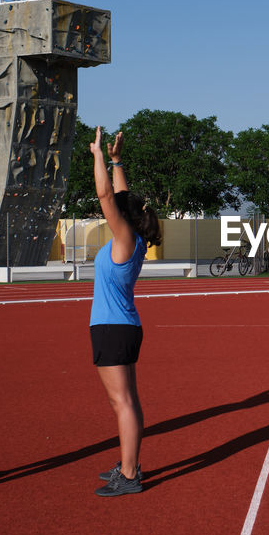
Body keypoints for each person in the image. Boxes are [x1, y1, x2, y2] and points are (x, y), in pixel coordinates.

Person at [90, 128, 162, 497]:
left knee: (123, 403)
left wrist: (98, 155)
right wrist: (117, 161)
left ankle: (130, 473)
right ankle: (129, 463)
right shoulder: (131, 238)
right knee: (127, 401)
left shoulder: (124, 238)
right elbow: (118, 196)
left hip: (113, 328)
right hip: (122, 326)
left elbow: (106, 195)